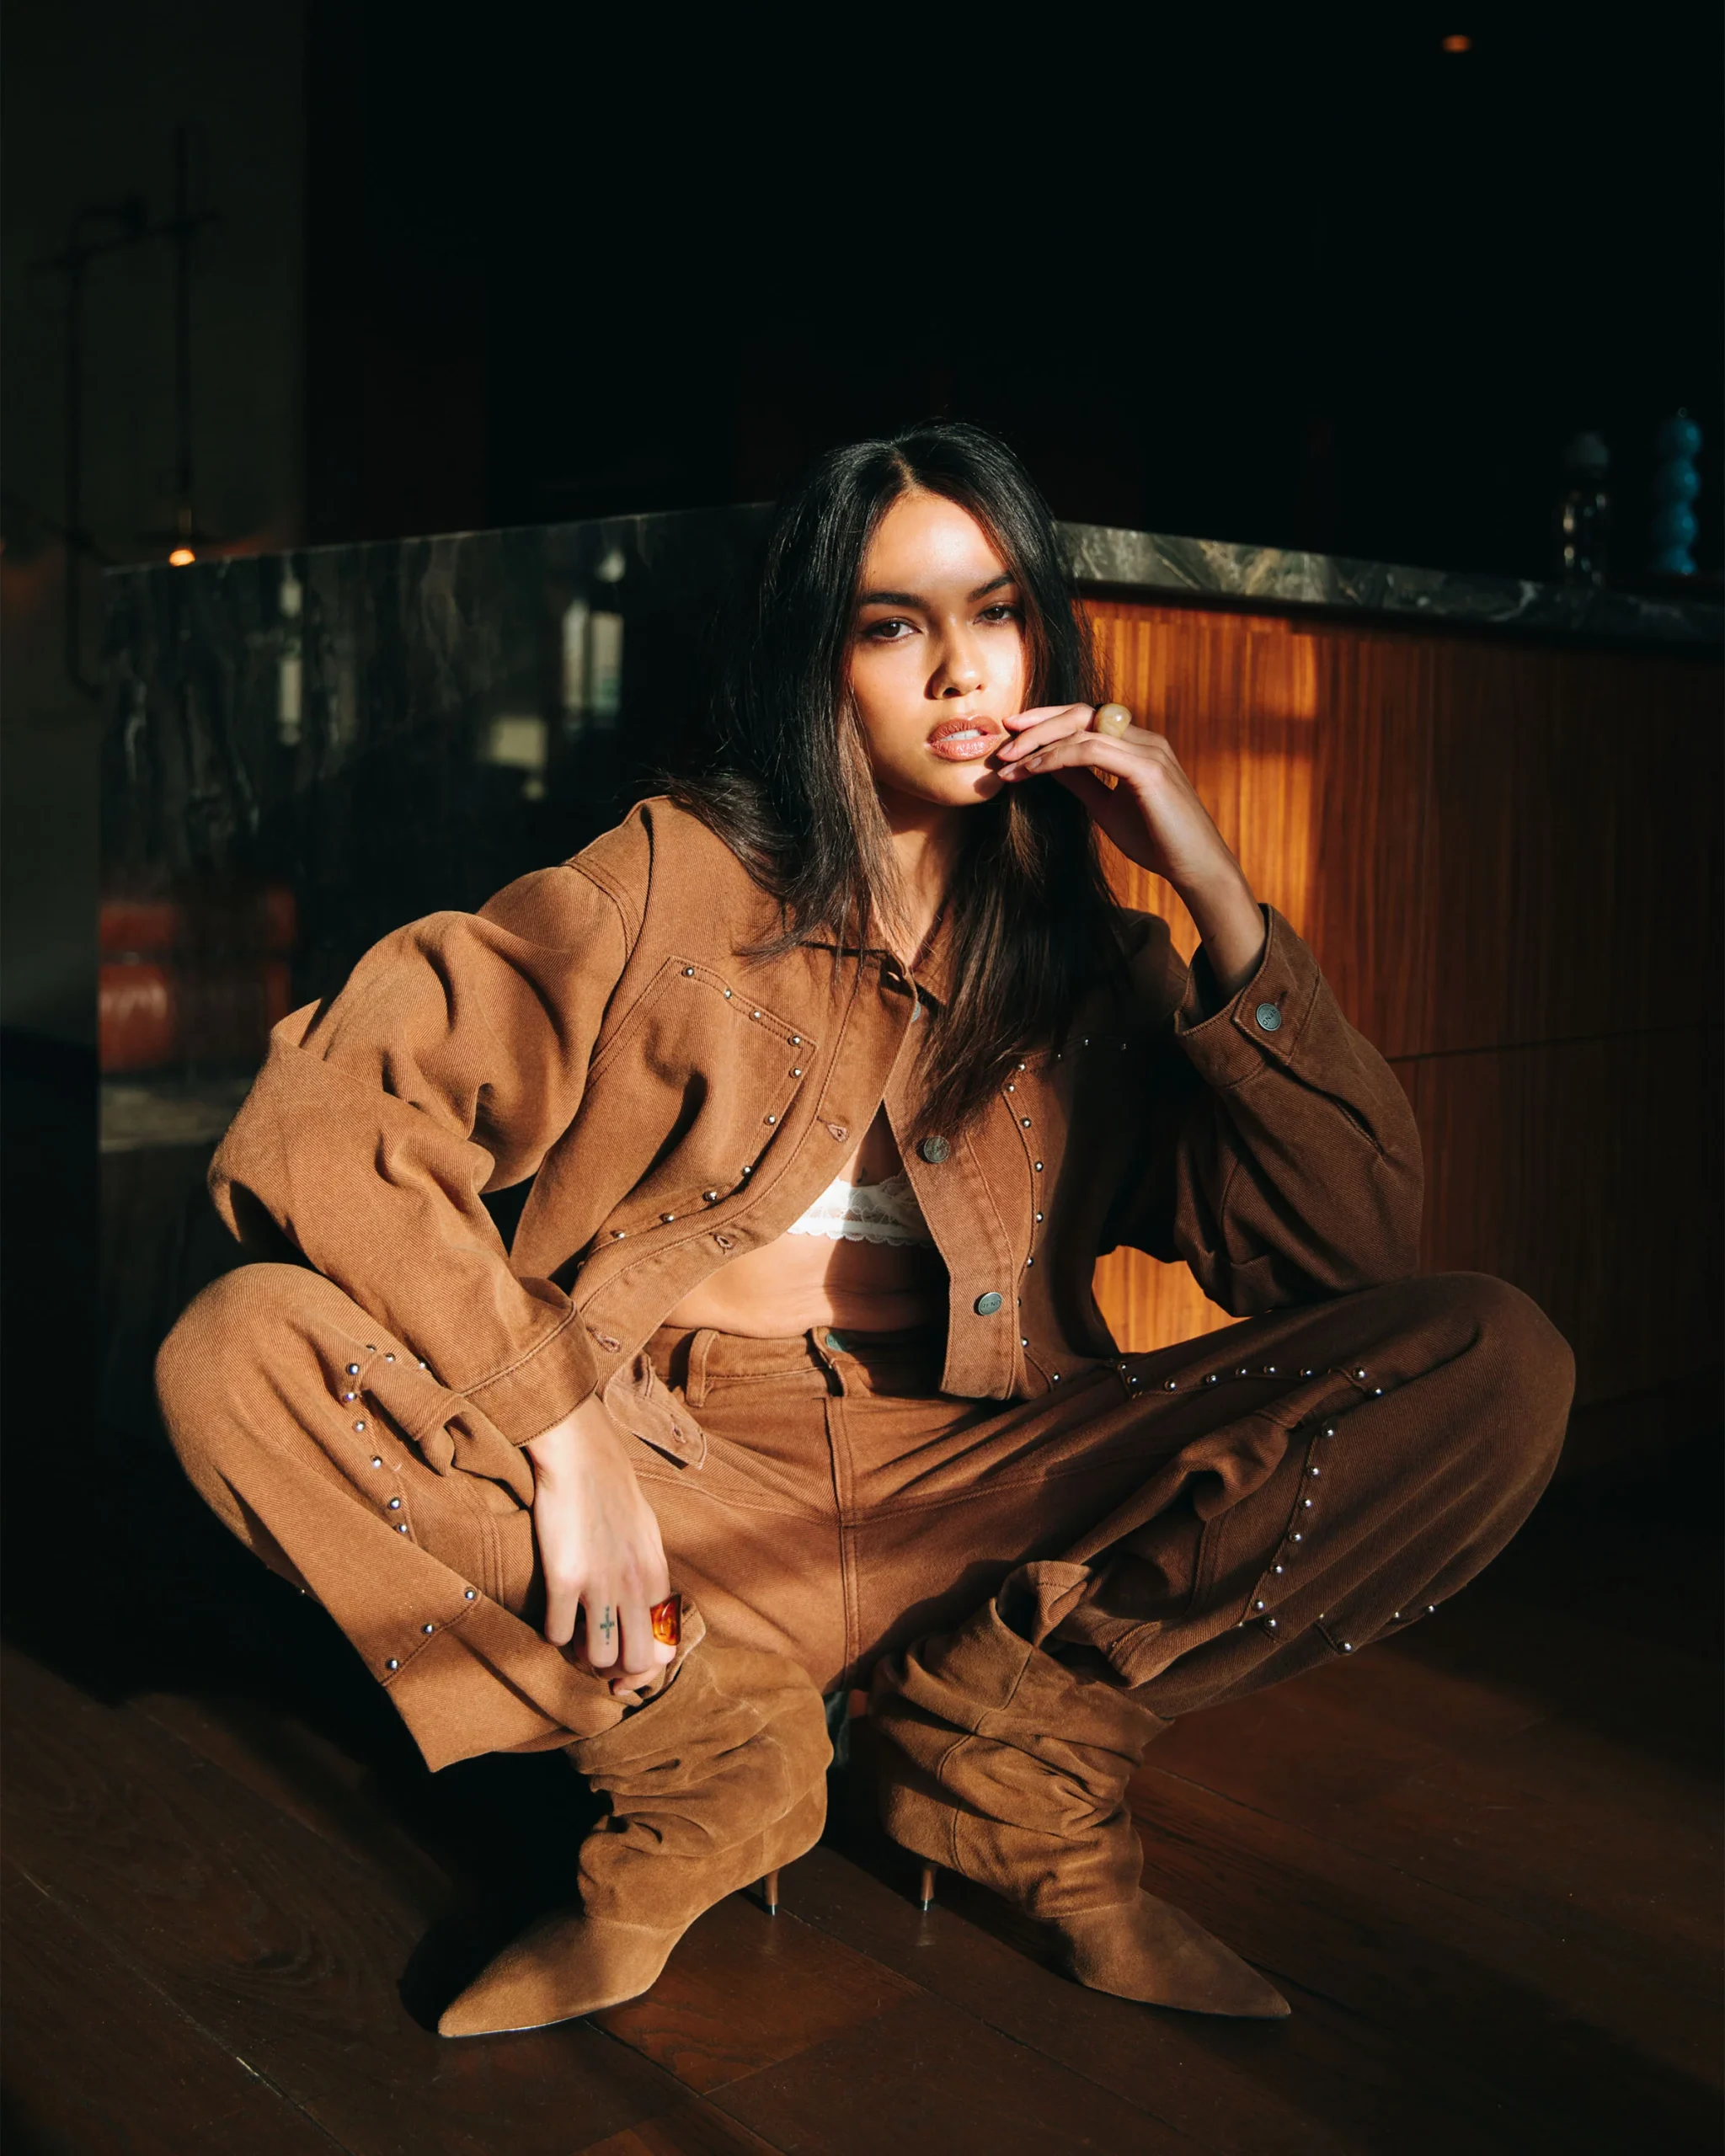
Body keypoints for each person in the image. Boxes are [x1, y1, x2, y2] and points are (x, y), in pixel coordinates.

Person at [157, 422, 1573, 2038]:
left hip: (991, 1478)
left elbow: (1352, 1256)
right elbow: (328, 1114)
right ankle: (704, 1757)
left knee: (1496, 1360)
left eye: (999, 612)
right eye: (896, 626)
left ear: (1046, 639)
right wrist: (560, 1428)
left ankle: (1006, 1746)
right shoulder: (668, 883)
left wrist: (1213, 890)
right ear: (818, 661)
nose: (963, 670)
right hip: (677, 1479)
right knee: (239, 1352)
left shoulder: (1096, 964)